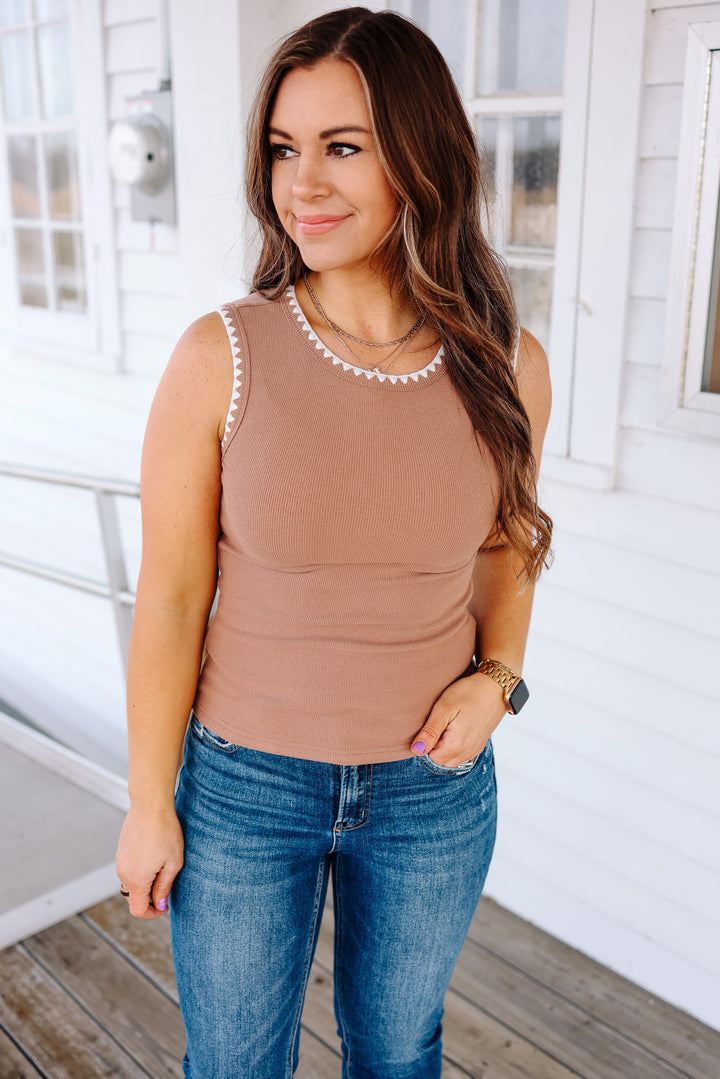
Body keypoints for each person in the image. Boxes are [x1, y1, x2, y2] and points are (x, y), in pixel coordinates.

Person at [115, 7, 553, 1078]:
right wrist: (147, 801)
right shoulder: (220, 356)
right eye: (282, 149)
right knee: (234, 1062)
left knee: (399, 1052)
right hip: (244, 790)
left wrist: (500, 677)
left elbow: (507, 546)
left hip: (431, 790)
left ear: (420, 154)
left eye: (342, 147)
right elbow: (170, 597)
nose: (301, 183)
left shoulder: (508, 362)